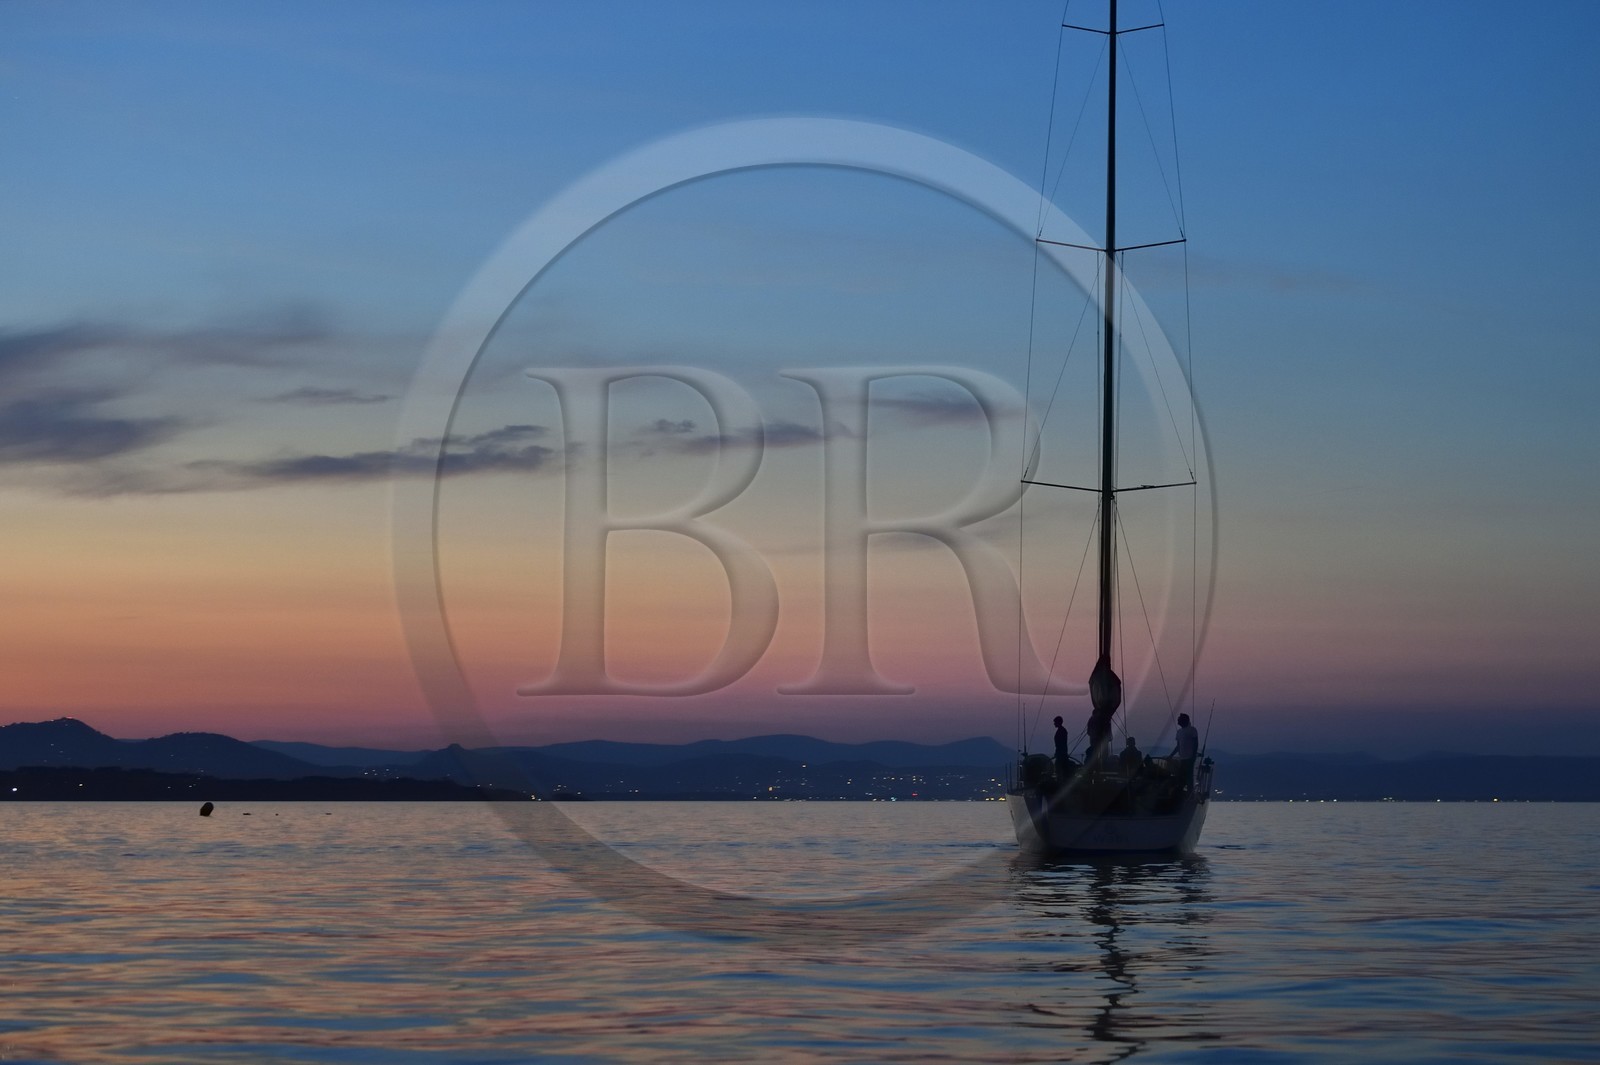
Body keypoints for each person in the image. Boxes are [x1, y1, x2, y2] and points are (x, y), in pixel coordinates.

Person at [1169, 712, 1200, 789]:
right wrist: (1171, 755)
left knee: (1189, 777)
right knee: (1181, 777)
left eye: (1179, 719)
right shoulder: (1179, 732)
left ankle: (1189, 794)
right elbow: (1178, 746)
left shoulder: (1192, 730)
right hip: (1182, 758)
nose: (1178, 720)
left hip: (1189, 758)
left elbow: (1196, 744)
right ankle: (1180, 793)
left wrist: (1193, 756)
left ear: (1184, 720)